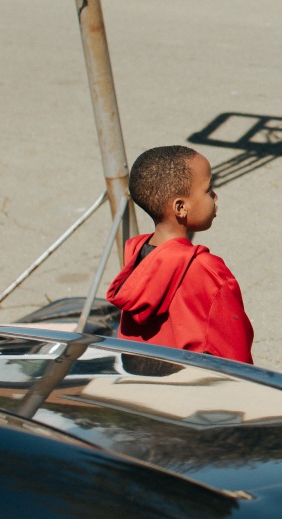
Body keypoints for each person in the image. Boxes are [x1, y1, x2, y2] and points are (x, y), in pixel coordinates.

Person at [107, 145, 254, 364]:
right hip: (195, 390)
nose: (215, 196)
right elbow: (235, 354)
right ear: (180, 207)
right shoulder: (208, 271)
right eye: (208, 189)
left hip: (144, 386)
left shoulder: (136, 258)